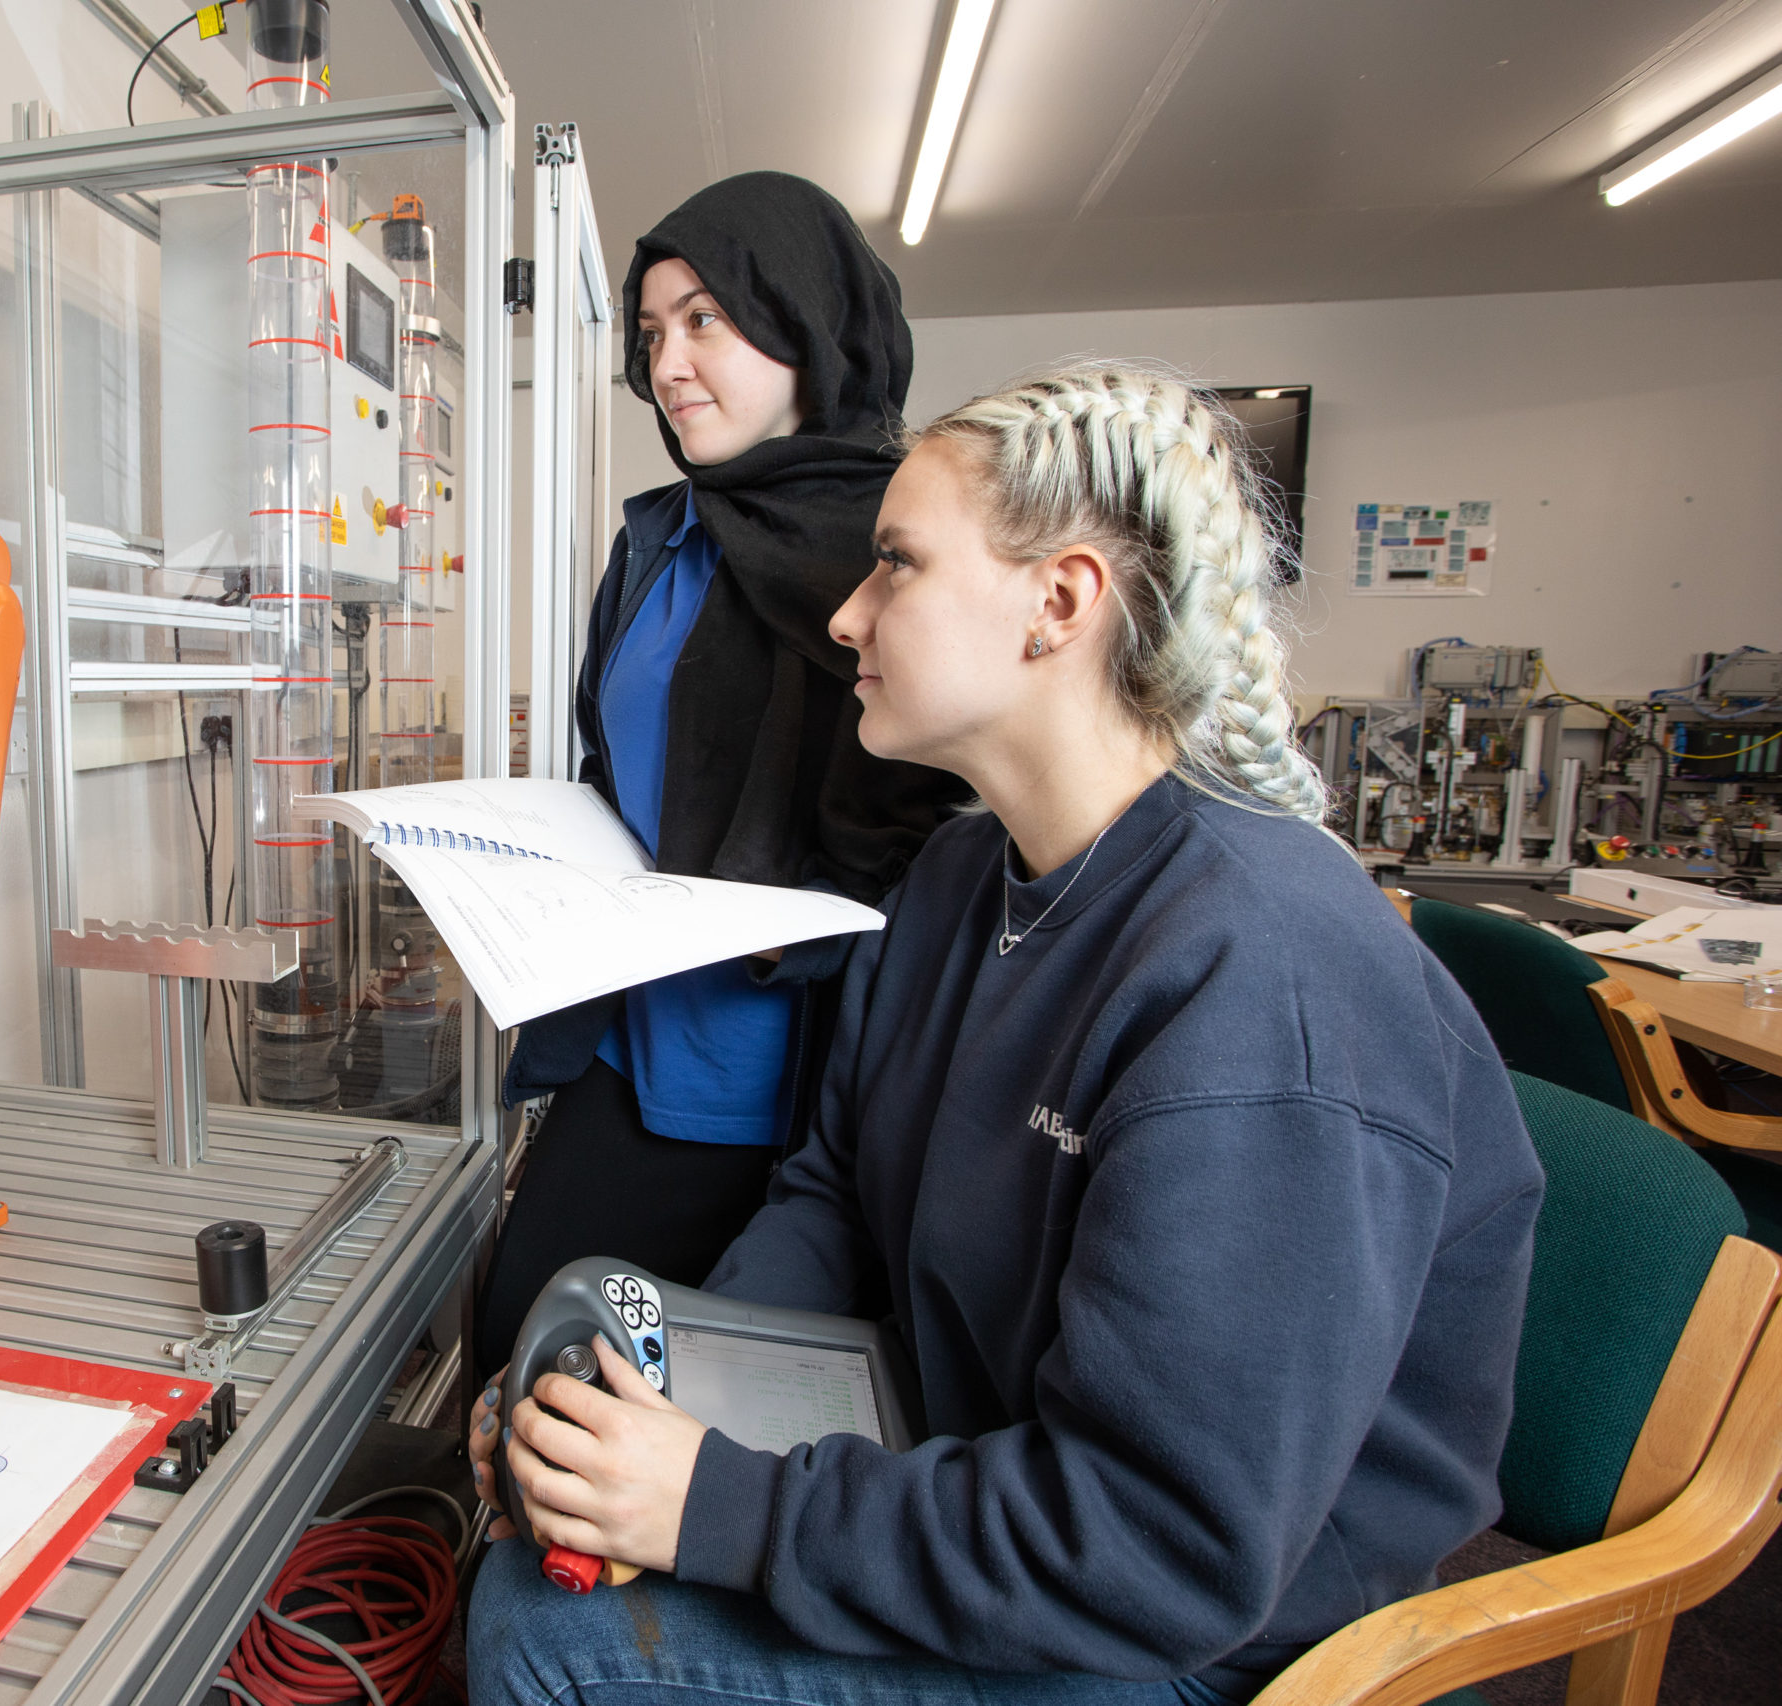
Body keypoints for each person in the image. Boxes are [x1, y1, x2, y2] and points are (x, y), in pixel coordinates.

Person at [464, 363, 1544, 1705]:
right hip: (990, 1472)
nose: (849, 611)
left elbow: (1162, 1544)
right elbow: (834, 1195)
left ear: (1059, 601)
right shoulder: (962, 883)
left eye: (898, 565)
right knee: (555, 1493)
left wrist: (718, 1506)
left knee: (540, 1628)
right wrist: (656, 1387)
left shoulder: (1264, 979)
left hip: (1198, 1640)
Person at [473, 173, 968, 1376]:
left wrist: (784, 920)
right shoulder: (658, 534)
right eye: (650, 334)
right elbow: (611, 761)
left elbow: (933, 838)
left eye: (705, 319)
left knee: (700, 1400)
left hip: (790, 1079)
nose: (669, 364)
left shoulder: (896, 548)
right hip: (626, 1035)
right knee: (515, 1344)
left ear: (802, 324)